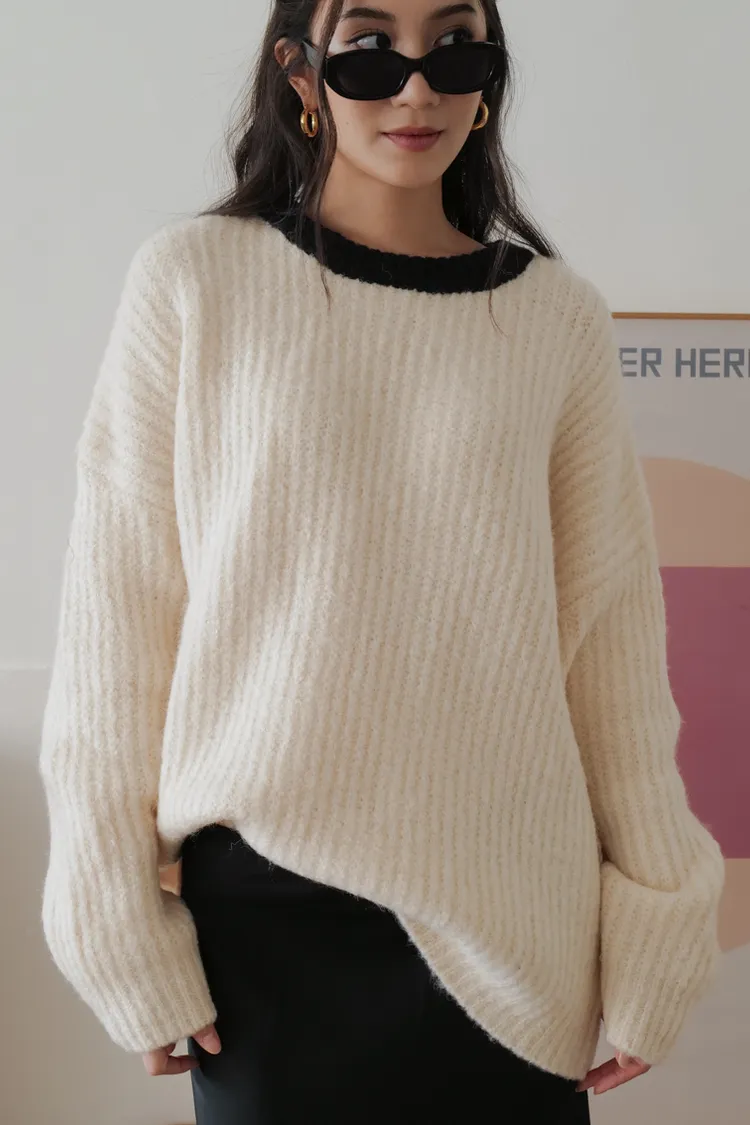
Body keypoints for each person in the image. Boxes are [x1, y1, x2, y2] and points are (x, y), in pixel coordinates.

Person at [38, 1, 725, 1122]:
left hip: (520, 928)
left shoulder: (556, 322)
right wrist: (112, 920)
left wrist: (659, 917)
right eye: (368, 49)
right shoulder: (195, 284)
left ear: (489, 77)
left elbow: (609, 651)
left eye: (456, 48)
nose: (417, 87)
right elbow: (117, 629)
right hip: (264, 931)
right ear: (299, 71)